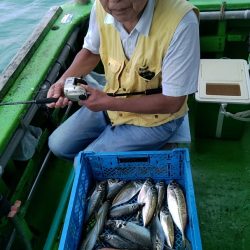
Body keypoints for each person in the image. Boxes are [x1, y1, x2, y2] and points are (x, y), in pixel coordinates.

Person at [47, 0, 200, 160]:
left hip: (158, 119)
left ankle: (156, 146)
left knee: (84, 162)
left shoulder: (182, 22)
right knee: (58, 145)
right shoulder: (100, 7)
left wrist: (107, 102)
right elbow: (91, 52)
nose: (113, 3)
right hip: (110, 101)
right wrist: (64, 80)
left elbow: (173, 102)